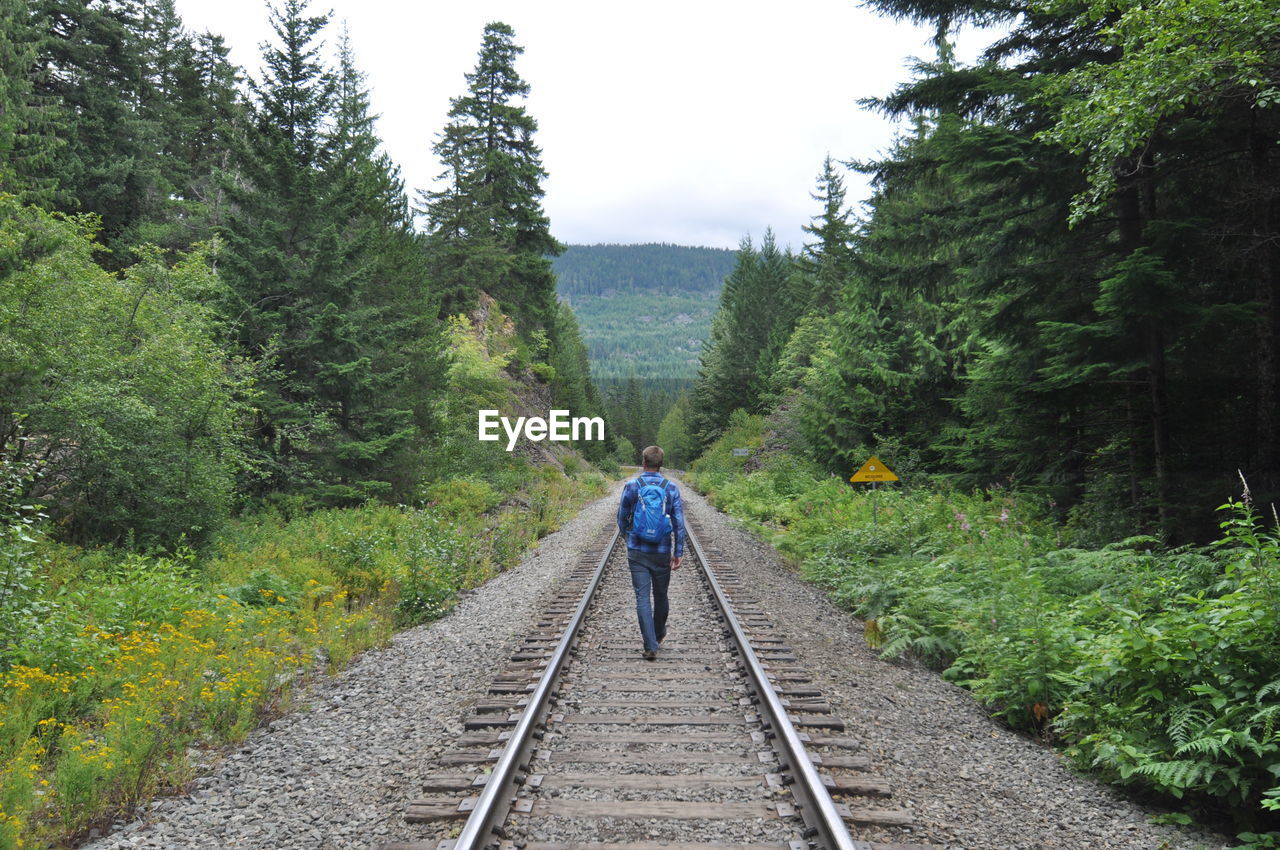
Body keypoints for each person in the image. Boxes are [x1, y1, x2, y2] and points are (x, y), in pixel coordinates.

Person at [617, 445, 685, 660]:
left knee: (642, 598)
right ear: (661, 463)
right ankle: (658, 633)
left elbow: (621, 516)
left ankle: (650, 644)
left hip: (637, 550)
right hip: (662, 550)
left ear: (643, 462)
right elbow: (679, 523)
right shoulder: (671, 488)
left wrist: (626, 537)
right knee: (661, 594)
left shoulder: (632, 486)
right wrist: (678, 551)